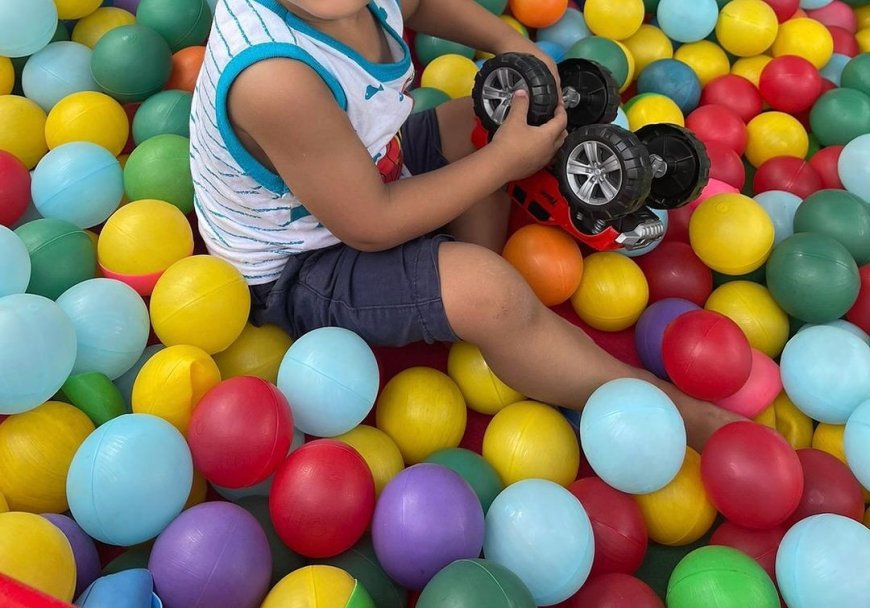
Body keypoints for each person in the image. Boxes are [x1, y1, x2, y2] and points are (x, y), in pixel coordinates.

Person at [190, 0, 740, 450]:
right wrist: (504, 162)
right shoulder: (275, 78)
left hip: (373, 163)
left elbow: (423, 4)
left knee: (490, 115)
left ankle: (472, 304)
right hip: (302, 260)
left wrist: (514, 45)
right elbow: (370, 223)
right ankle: (666, 411)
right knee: (489, 291)